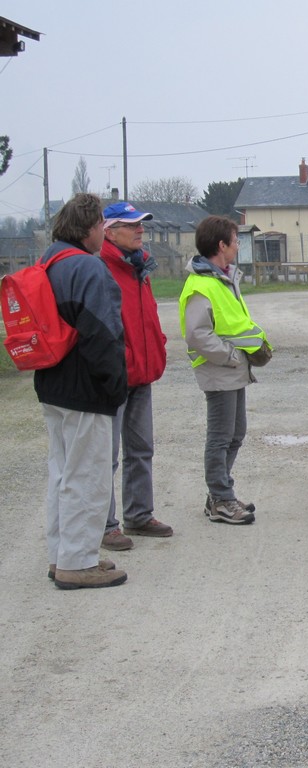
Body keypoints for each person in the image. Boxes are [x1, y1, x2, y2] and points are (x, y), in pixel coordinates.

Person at [36, 193, 129, 589]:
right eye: (100, 227)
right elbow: (103, 333)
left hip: (51, 380)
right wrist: (115, 385)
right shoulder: (88, 268)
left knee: (61, 472)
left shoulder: (47, 262)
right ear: (90, 228)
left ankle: (64, 554)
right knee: (88, 476)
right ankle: (78, 562)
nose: (101, 234)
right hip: (85, 386)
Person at [180, 215, 271, 525]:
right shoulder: (202, 284)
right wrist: (231, 356)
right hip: (220, 369)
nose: (237, 246)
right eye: (235, 241)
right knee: (220, 437)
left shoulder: (223, 278)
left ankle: (219, 494)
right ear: (221, 245)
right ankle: (220, 498)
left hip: (232, 369)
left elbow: (232, 323)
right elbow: (197, 334)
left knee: (236, 433)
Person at [99, 202, 171, 552]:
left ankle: (139, 515)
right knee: (106, 455)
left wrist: (157, 346)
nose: (140, 230)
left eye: (141, 224)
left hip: (141, 372)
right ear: (109, 231)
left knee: (141, 449)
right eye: (132, 225)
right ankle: (106, 525)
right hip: (114, 376)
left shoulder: (139, 266)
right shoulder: (101, 267)